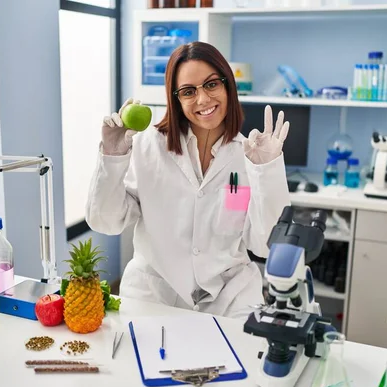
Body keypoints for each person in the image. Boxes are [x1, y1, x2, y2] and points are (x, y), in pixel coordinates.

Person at [85, 41, 291, 320]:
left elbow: (265, 246)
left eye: (211, 85)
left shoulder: (250, 155)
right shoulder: (148, 147)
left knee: (241, 361)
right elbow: (106, 221)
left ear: (228, 85)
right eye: (189, 91)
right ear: (177, 99)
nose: (203, 99)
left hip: (231, 298)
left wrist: (267, 170)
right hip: (154, 293)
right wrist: (113, 155)